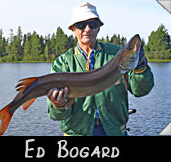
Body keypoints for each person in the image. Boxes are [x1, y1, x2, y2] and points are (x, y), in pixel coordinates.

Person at [47, 2, 154, 136]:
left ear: (99, 28)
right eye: (81, 25)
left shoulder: (117, 54)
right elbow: (55, 115)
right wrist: (58, 105)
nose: (87, 29)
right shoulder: (62, 63)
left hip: (114, 132)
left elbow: (141, 90)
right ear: (73, 29)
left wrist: (141, 68)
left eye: (92, 24)